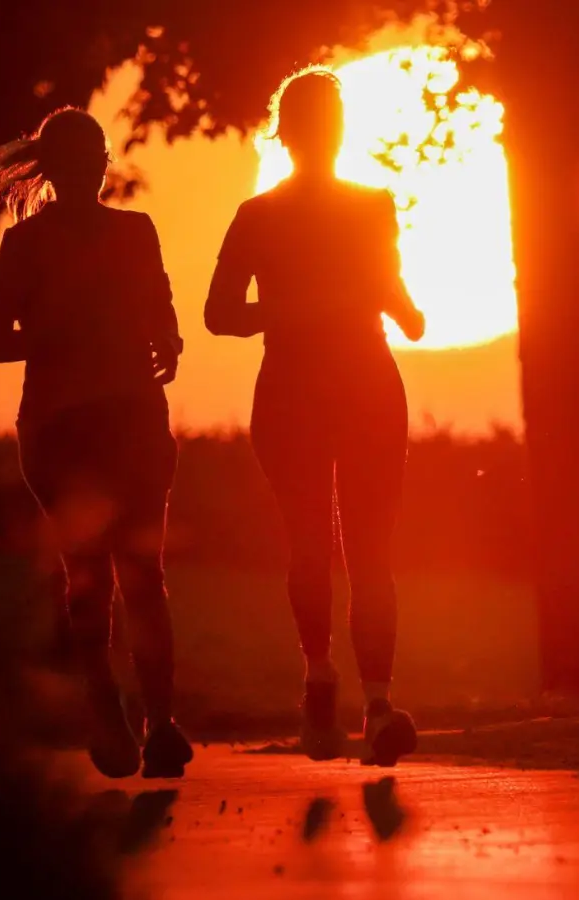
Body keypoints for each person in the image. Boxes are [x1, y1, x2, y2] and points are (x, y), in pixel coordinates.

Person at [205, 68, 425, 766]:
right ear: (316, 132)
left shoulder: (264, 214)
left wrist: (385, 306)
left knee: (330, 547)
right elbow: (217, 314)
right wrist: (392, 310)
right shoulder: (354, 206)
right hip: (349, 382)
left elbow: (221, 314)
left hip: (311, 384)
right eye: (326, 121)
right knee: (359, 551)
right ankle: (363, 698)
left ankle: (336, 686)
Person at [0, 107, 191, 779]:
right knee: (97, 577)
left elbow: (161, 310)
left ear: (103, 163)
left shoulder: (137, 232)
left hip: (129, 419)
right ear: (54, 169)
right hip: (62, 427)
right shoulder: (25, 245)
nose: (84, 169)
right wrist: (56, 339)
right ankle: (113, 715)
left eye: (92, 156)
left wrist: (170, 344)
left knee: (139, 576)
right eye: (71, 159)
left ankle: (157, 723)